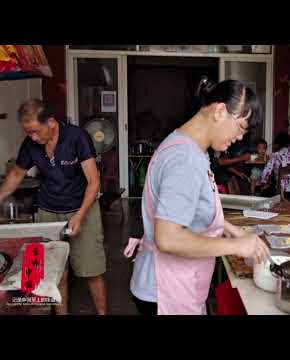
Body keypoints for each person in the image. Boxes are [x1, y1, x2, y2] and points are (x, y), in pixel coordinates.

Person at [124, 80, 270, 315]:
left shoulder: (186, 145)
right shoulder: (185, 158)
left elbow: (187, 209)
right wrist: (236, 245)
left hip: (172, 284)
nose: (240, 137)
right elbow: (168, 239)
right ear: (220, 111)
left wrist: (229, 227)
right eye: (241, 127)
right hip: (165, 291)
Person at [0, 99, 107, 315]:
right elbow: (16, 174)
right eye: (28, 133)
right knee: (54, 273)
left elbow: (94, 181)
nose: (33, 138)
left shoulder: (77, 138)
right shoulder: (31, 144)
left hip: (81, 208)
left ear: (51, 122)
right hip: (48, 211)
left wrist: (80, 214)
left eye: (35, 132)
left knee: (91, 271)